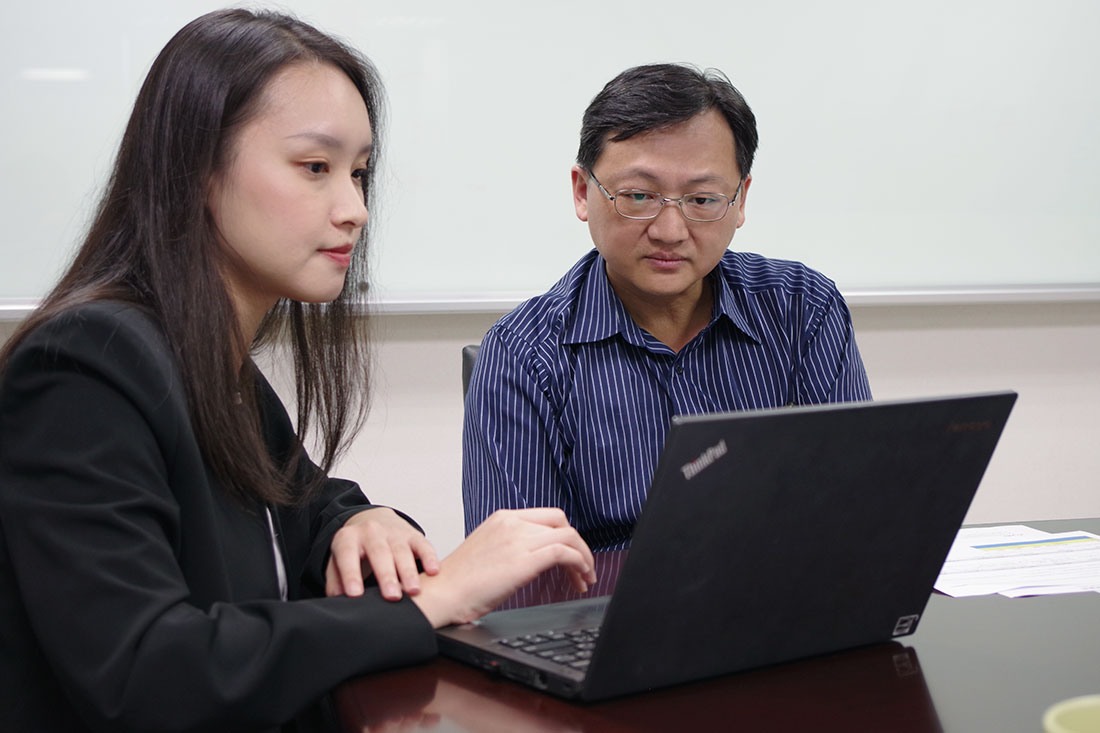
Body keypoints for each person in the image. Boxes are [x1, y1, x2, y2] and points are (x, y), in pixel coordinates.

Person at [0, 9, 596, 732]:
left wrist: (364, 518)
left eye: (359, 174)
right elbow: (147, 672)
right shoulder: (85, 368)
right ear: (195, 169)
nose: (354, 210)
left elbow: (307, 507)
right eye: (315, 168)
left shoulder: (221, 372)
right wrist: (427, 605)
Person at [463, 63, 871, 551]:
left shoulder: (802, 310)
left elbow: (854, 509)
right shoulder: (523, 355)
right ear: (581, 191)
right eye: (638, 196)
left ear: (740, 201)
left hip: (784, 611)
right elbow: (519, 581)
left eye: (702, 199)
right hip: (611, 620)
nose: (670, 231)